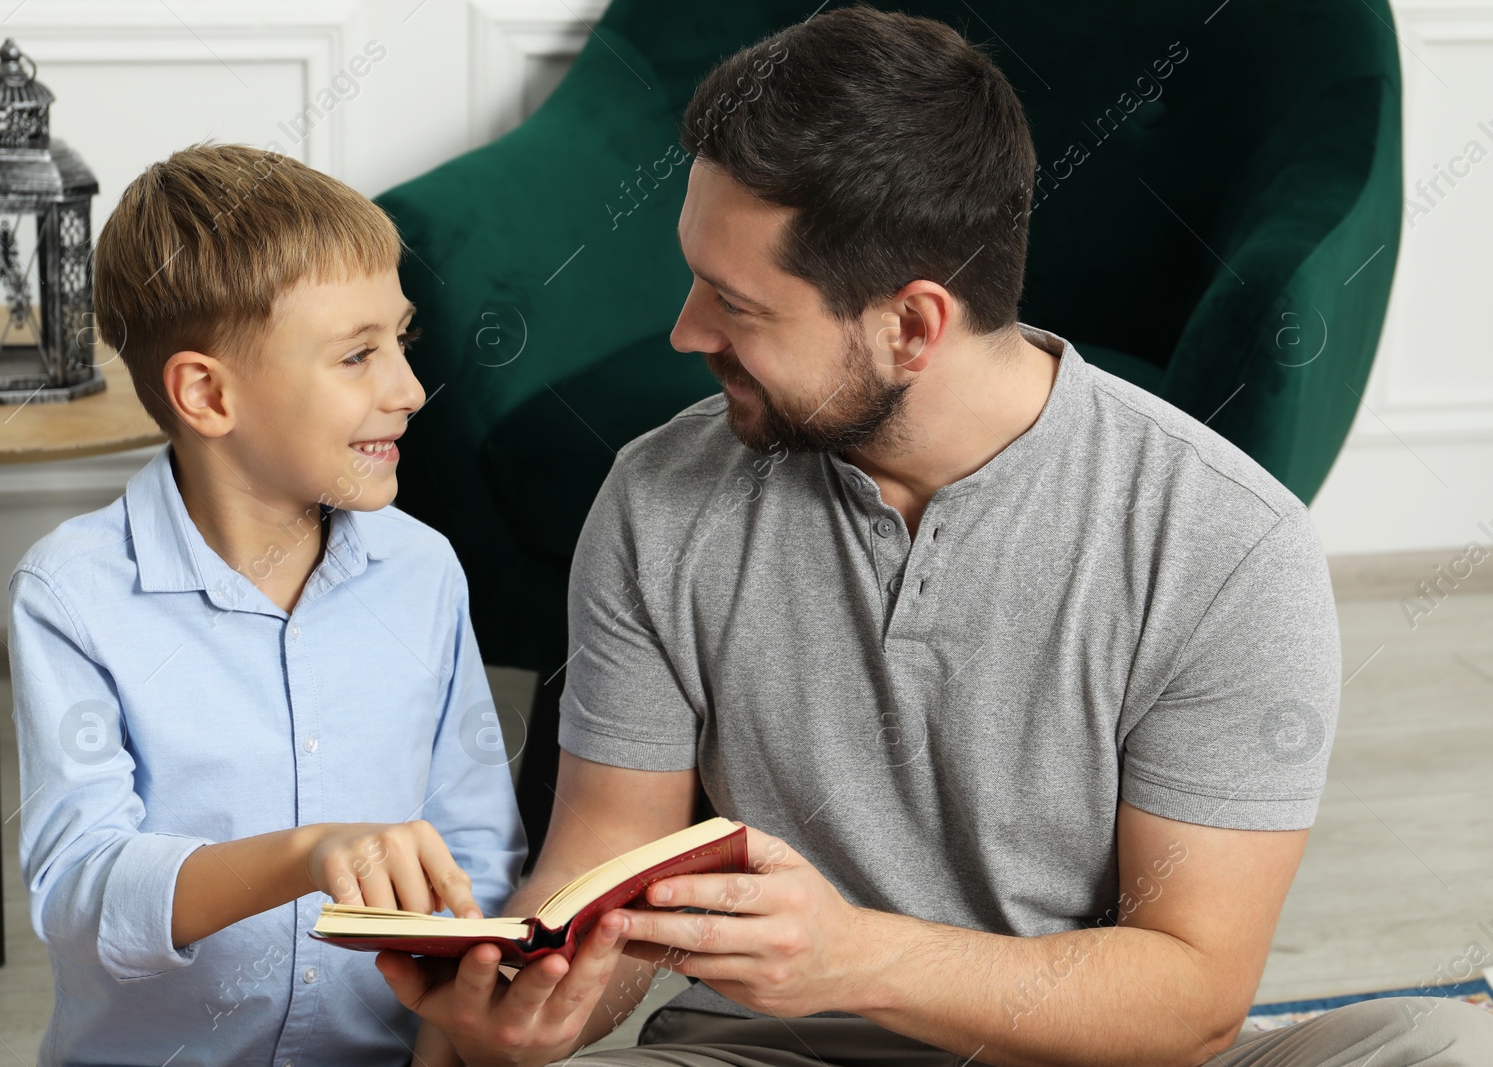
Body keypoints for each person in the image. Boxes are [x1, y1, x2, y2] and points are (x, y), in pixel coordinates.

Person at [377, 7, 1492, 1067]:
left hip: (1083, 1051)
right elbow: (597, 864)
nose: (684, 331)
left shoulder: (1224, 542)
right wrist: (531, 1010)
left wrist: (850, 955)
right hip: (768, 1050)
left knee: (1449, 1043)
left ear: (912, 324)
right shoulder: (659, 493)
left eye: (738, 303)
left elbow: (1192, 1000)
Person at [6, 142, 526, 1067]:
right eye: (357, 355)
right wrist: (307, 855)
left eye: (399, 340)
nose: (407, 389)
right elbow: (80, 888)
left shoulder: (425, 571)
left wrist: (451, 1033)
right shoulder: (74, 593)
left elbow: (476, 843)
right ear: (206, 392)